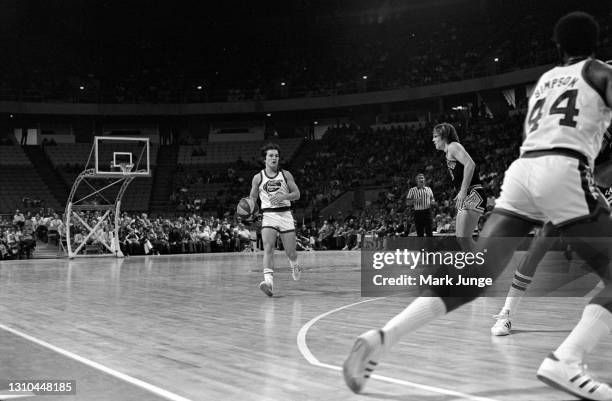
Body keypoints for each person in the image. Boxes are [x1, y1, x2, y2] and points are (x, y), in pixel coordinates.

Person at [344, 12, 612, 400]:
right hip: (563, 169)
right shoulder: (599, 72)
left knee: (480, 270)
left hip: (523, 172)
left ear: (557, 49)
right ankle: (567, 360)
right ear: (595, 44)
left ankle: (384, 337)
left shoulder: (544, 84)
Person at [249, 143, 301, 296]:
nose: (274, 158)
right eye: (271, 155)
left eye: (276, 156)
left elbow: (297, 194)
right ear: (264, 159)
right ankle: (269, 283)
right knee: (268, 248)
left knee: (291, 252)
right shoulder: (258, 178)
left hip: (285, 214)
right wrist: (248, 209)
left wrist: (284, 196)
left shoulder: (286, 174)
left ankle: (295, 266)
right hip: (269, 215)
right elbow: (252, 199)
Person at [432, 122, 485, 249]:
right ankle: (483, 264)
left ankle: (486, 263)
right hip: (471, 194)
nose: (433, 139)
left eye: (435, 136)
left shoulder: (453, 146)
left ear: (443, 136)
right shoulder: (448, 152)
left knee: (463, 240)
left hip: (473, 193)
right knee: (463, 240)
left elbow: (470, 165)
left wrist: (462, 190)